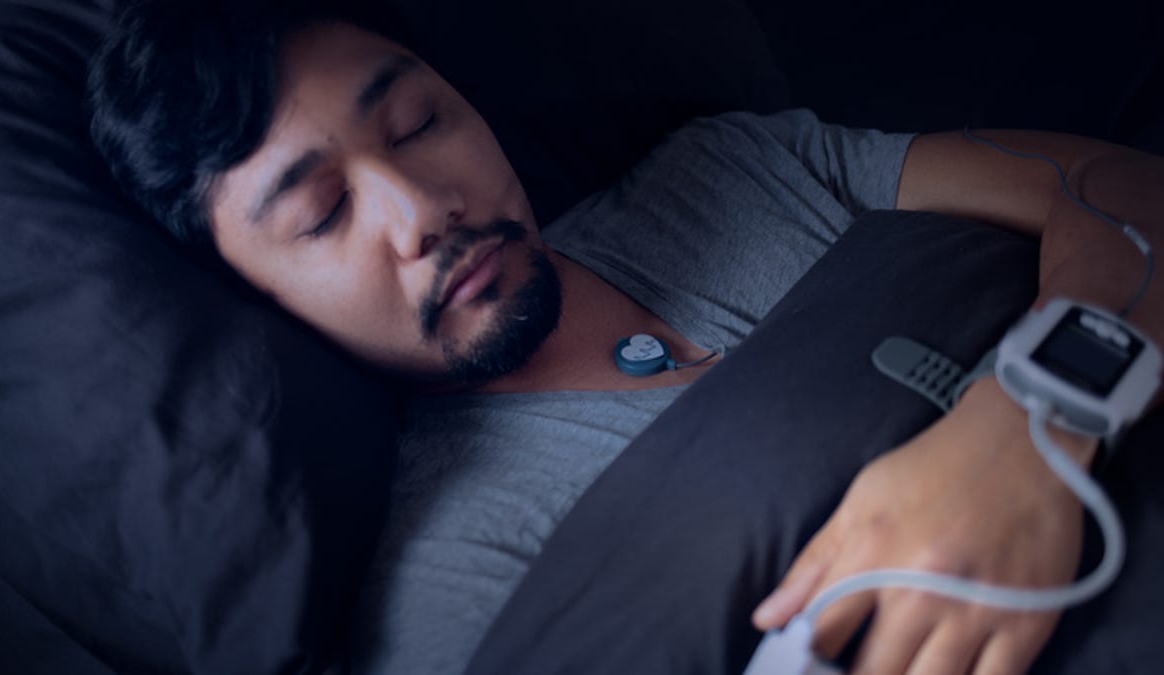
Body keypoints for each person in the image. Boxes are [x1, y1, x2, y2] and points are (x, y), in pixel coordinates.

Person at [87, 1, 1163, 673]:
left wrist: (1031, 425)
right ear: (262, 303)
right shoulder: (448, 583)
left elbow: (1121, 186)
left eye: (419, 122)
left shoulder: (722, 173)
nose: (421, 209)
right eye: (321, 217)